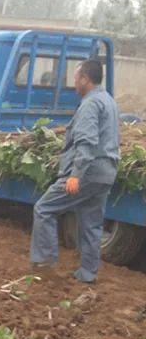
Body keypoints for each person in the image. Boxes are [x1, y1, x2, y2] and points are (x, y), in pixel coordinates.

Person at [30, 59, 120, 283]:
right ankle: (87, 275)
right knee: (91, 224)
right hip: (106, 172)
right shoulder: (108, 100)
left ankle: (45, 262)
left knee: (44, 208)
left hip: (88, 172)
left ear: (85, 79)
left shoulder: (90, 104)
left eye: (76, 77)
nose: (74, 82)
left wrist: (75, 175)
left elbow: (87, 143)